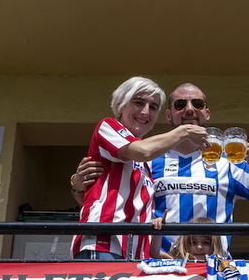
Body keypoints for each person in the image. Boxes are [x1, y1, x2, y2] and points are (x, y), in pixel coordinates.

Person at [71, 82, 249, 254]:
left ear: (207, 113)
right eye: (180, 105)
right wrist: (77, 187)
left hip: (211, 269)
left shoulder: (229, 163)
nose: (189, 110)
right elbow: (108, 201)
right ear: (168, 115)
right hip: (155, 266)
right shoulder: (145, 159)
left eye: (197, 104)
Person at [71, 77, 208, 260]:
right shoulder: (109, 127)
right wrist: (184, 131)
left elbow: (95, 199)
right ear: (120, 104)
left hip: (133, 255)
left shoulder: (144, 165)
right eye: (138, 103)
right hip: (102, 245)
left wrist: (171, 259)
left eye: (152, 107)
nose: (145, 112)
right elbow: (143, 151)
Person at [147, 216, 225, 261]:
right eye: (193, 242)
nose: (199, 247)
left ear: (215, 245)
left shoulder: (221, 267)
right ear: (185, 244)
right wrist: (159, 228)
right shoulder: (177, 261)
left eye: (206, 243)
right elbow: (155, 253)